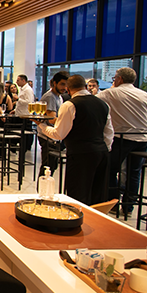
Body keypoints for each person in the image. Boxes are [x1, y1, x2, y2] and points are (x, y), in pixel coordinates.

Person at [35, 74, 114, 206]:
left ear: (68, 89)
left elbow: (58, 134)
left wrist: (41, 125)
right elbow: (109, 133)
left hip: (80, 154)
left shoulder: (70, 105)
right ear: (85, 86)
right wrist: (102, 149)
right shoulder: (103, 104)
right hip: (102, 153)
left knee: (77, 195)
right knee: (97, 195)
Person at [97, 67, 147, 214]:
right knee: (134, 173)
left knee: (111, 170)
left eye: (114, 78)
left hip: (122, 138)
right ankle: (128, 207)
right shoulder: (144, 95)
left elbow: (92, 101)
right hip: (142, 139)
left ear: (120, 79)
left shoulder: (111, 93)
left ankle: (113, 203)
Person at [38, 71, 69, 175]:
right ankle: (42, 185)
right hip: (47, 135)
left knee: (52, 166)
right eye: (62, 84)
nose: (64, 87)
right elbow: (52, 119)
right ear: (54, 83)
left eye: (66, 85)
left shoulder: (59, 96)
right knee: (48, 167)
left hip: (54, 135)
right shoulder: (50, 96)